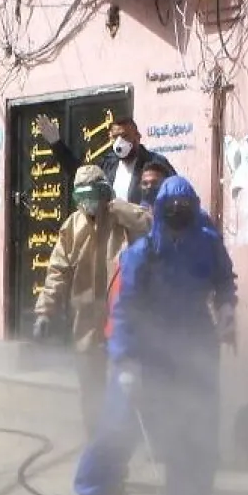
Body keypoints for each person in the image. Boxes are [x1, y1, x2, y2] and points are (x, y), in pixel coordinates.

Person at [67, 176, 237, 495]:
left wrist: (225, 307)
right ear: (160, 211)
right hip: (143, 353)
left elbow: (224, 280)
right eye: (171, 209)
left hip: (192, 350)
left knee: (194, 433)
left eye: (184, 209)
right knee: (117, 427)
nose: (178, 214)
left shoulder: (208, 244)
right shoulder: (141, 254)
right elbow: (124, 310)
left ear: (193, 209)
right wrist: (125, 360)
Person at [34, 165, 152, 435]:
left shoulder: (120, 218)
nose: (88, 203)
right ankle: (95, 449)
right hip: (86, 323)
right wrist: (45, 311)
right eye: (81, 197)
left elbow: (149, 223)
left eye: (93, 195)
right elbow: (57, 272)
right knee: (91, 392)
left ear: (103, 193)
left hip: (121, 322)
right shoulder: (72, 227)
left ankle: (121, 450)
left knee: (123, 389)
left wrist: (117, 207)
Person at [34, 114, 176, 206]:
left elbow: (176, 196)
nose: (119, 142)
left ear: (137, 137)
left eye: (124, 136)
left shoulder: (156, 164)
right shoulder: (108, 164)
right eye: (115, 137)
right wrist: (56, 144)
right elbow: (81, 174)